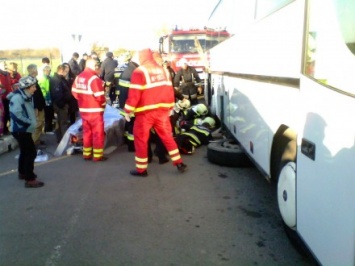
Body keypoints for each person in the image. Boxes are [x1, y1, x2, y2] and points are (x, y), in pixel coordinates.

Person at [123, 48, 187, 177]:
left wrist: (128, 111)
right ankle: (179, 162)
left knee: (141, 140)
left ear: (141, 58)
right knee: (168, 138)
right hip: (162, 112)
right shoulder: (164, 70)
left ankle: (141, 170)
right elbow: (170, 91)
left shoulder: (139, 71)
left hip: (145, 113)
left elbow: (134, 94)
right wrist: (170, 107)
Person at [7, 76, 44, 188]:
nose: (35, 89)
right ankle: (30, 179)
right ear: (27, 87)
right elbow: (16, 115)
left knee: (24, 151)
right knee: (31, 152)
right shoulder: (17, 98)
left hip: (24, 129)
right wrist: (28, 123)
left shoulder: (27, 96)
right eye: (33, 86)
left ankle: (22, 172)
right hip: (21, 129)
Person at [71, 58, 107, 162]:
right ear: (93, 66)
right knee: (97, 133)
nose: (98, 68)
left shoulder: (78, 77)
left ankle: (86, 154)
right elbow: (100, 97)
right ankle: (97, 156)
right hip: (95, 111)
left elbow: (74, 92)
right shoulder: (94, 79)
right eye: (96, 66)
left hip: (83, 110)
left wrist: (82, 100)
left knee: (87, 132)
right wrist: (103, 106)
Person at [50, 64, 71, 143]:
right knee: (63, 123)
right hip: (60, 105)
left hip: (63, 103)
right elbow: (57, 93)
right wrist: (62, 105)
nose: (67, 73)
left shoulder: (61, 79)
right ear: (61, 71)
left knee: (61, 122)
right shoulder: (56, 80)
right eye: (65, 71)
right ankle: (64, 140)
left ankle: (62, 138)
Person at [27, 64, 46, 147]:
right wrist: (36, 107)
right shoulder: (29, 81)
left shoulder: (34, 79)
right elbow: (32, 96)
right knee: (37, 124)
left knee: (40, 123)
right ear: (33, 70)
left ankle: (37, 139)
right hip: (36, 107)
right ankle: (34, 143)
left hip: (40, 106)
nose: (37, 71)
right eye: (36, 69)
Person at [38, 65, 54, 134]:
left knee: (50, 114)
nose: (48, 72)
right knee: (47, 115)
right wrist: (45, 98)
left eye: (49, 70)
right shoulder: (42, 79)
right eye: (47, 70)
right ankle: (47, 129)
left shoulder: (49, 78)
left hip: (50, 98)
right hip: (46, 99)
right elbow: (42, 90)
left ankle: (49, 128)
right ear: (44, 71)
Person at [0, 60, 12, 135]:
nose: (5, 65)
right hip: (2, 97)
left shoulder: (7, 74)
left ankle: (6, 129)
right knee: (3, 114)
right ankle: (3, 129)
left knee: (8, 113)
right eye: (3, 64)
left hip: (9, 96)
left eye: (5, 64)